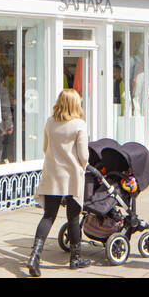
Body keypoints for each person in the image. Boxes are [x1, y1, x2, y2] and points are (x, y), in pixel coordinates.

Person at [27, 89, 90, 277]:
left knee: (48, 216)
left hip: (52, 174)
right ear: (75, 104)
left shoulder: (50, 122)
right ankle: (75, 258)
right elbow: (84, 155)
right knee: (73, 217)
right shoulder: (79, 125)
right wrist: (83, 166)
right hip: (72, 176)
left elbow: (45, 148)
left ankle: (34, 255)